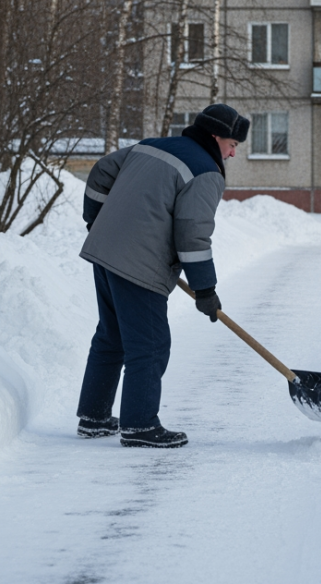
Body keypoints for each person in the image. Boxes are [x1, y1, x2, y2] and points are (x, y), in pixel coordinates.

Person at [74, 104, 248, 448]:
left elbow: (101, 172)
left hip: (105, 250)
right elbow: (192, 234)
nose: (232, 152)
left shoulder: (151, 145)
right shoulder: (205, 171)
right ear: (215, 137)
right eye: (232, 143)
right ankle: (139, 425)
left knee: (112, 336)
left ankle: (94, 418)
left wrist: (96, 220)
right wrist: (205, 290)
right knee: (150, 345)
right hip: (140, 263)